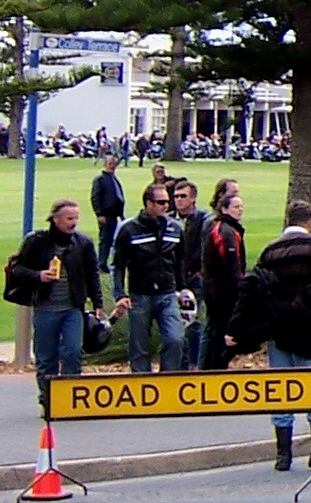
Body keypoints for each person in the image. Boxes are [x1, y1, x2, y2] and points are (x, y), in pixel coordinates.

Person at [227, 200, 311, 471]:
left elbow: (252, 286)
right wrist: (303, 299)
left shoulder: (270, 250)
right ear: (309, 221)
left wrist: (239, 327)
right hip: (308, 326)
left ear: (287, 220)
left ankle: (283, 454)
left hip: (277, 327)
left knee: (281, 389)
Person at [5, 199, 102, 399]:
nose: (73, 223)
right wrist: (38, 276)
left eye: (76, 218)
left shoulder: (83, 243)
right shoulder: (37, 242)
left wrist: (98, 303)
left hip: (72, 307)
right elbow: (17, 268)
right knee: (46, 357)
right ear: (56, 219)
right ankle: (48, 399)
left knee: (73, 351)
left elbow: (92, 274)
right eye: (69, 218)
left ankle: (71, 397)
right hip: (45, 307)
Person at [114, 180, 187, 372]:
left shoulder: (175, 228)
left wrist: (182, 287)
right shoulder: (130, 229)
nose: (166, 206)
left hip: (167, 293)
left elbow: (180, 261)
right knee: (139, 345)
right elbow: (119, 264)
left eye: (167, 202)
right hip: (140, 294)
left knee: (175, 338)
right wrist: (120, 294)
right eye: (161, 202)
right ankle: (141, 380)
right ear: (148, 203)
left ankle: (167, 378)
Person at [198, 184, 248, 371]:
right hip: (221, 293)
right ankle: (215, 369)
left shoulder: (225, 228)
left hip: (216, 290)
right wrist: (239, 290)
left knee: (214, 331)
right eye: (236, 207)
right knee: (219, 333)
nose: (240, 210)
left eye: (241, 206)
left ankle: (211, 368)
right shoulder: (226, 231)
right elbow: (230, 265)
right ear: (225, 209)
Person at [90, 155, 125, 277]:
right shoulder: (100, 180)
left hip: (114, 215)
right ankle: (101, 264)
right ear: (105, 164)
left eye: (114, 164)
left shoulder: (113, 179)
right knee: (105, 240)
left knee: (111, 240)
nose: (112, 166)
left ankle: (106, 262)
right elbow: (95, 197)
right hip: (106, 215)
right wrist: (99, 213)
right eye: (110, 163)